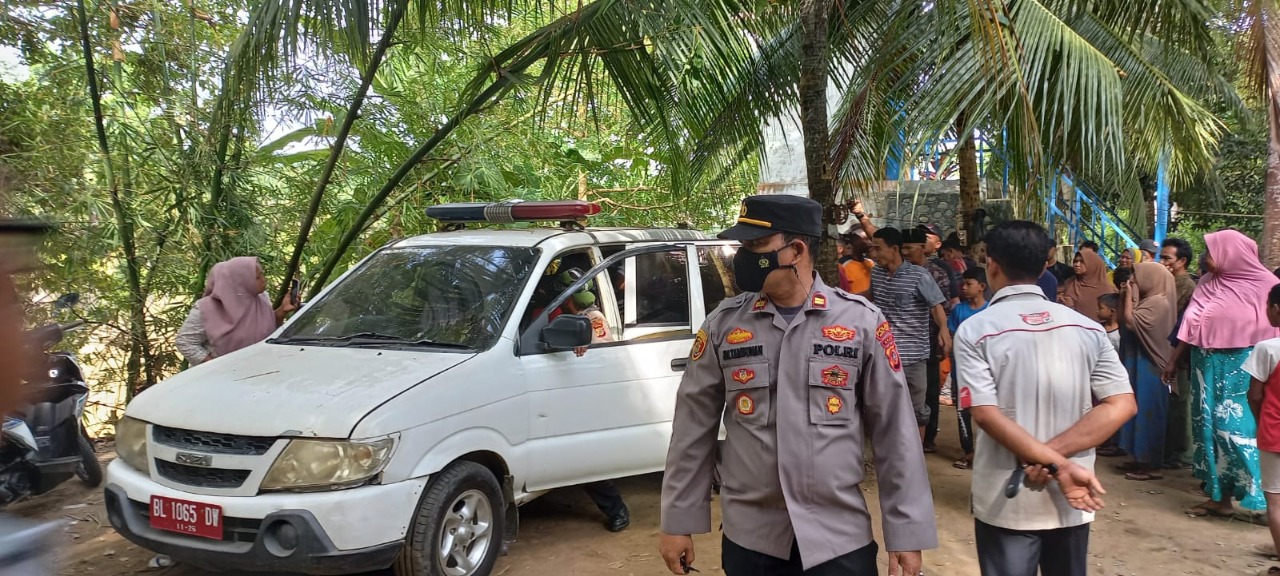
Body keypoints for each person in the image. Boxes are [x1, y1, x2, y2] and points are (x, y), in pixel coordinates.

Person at [659, 195, 937, 576]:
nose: (741, 257)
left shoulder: (862, 323)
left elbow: (896, 433)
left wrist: (905, 533)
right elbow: (692, 428)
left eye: (755, 246)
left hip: (838, 539)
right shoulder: (723, 325)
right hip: (752, 539)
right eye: (742, 246)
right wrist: (678, 521)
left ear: (796, 250)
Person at [955, 221, 1136, 576]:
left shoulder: (977, 330)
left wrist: (1051, 462)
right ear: (1045, 265)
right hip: (1072, 495)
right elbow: (1122, 404)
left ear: (991, 263)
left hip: (1008, 498)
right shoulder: (1087, 328)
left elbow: (986, 414)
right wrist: (1061, 461)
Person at [1162, 229, 1280, 518]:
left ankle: (1265, 501)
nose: (1205, 257)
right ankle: (1219, 497)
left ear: (1232, 253)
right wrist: (1174, 360)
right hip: (1206, 368)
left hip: (1246, 370)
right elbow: (1189, 327)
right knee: (1209, 430)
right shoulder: (1206, 282)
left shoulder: (1268, 285)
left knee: (1239, 431)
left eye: (1212, 251)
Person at [870, 227, 952, 441]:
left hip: (913, 357)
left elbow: (936, 306)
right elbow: (870, 297)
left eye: (878, 249)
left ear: (894, 249)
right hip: (882, 355)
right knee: (885, 408)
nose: (874, 254)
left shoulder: (919, 276)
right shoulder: (876, 273)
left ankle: (917, 460)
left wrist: (943, 330)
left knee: (917, 411)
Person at [1116, 262, 1177, 481]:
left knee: (1149, 413)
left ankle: (1151, 465)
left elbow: (1132, 323)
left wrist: (1131, 296)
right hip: (1138, 363)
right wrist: (1126, 297)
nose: (1133, 279)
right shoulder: (1148, 300)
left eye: (1136, 276)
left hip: (1151, 366)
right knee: (1135, 409)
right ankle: (1137, 457)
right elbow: (1122, 321)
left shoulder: (1158, 303)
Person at [176, 257, 296, 365]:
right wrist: (214, 365)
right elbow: (185, 342)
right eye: (258, 277)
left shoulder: (261, 298)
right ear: (240, 282)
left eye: (262, 274)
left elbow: (265, 329)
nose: (264, 280)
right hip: (221, 379)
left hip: (259, 369)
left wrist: (282, 311)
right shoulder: (206, 308)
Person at [904, 228, 953, 452]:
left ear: (922, 248)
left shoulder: (937, 273)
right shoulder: (893, 273)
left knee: (930, 390)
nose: (905, 252)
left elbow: (943, 307)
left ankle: (928, 437)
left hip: (930, 341)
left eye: (909, 247)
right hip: (906, 343)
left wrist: (944, 335)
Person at [1244, 285, 1280, 576]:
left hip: (1274, 431)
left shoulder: (1267, 348)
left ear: (1277, 308)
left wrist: (1261, 420)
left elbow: (1254, 395)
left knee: (1276, 501)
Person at [1161, 237, 1197, 468]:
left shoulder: (1185, 286)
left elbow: (1181, 323)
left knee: (1180, 403)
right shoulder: (1169, 282)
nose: (1163, 262)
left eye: (1167, 258)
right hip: (1167, 349)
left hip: (1179, 352)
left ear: (1182, 261)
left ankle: (1181, 453)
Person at [948, 267, 988, 470]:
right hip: (960, 373)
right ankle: (968, 452)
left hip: (984, 375)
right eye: (962, 284)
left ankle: (984, 453)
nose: (963, 288)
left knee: (986, 412)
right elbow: (953, 337)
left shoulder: (991, 311)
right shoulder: (958, 311)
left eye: (968, 284)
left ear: (981, 287)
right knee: (962, 413)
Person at [1059, 250, 1116, 322]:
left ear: (1092, 265)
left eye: (1082, 262)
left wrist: (1072, 307)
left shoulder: (1106, 290)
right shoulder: (1070, 282)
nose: (1077, 264)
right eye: (1075, 261)